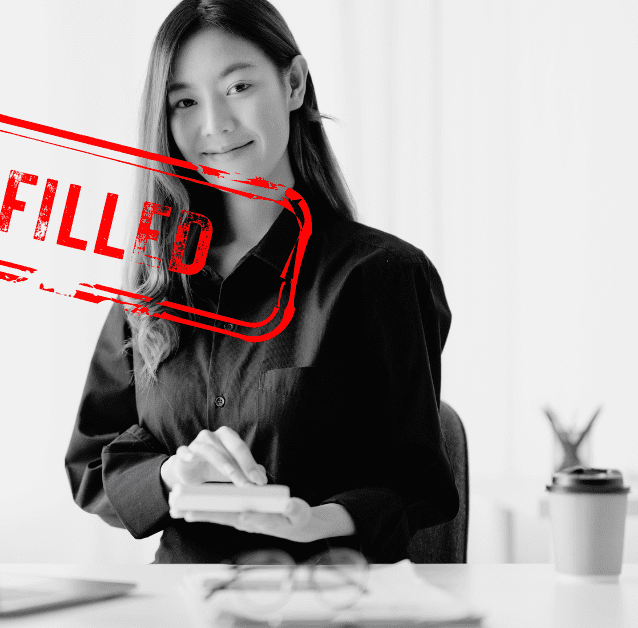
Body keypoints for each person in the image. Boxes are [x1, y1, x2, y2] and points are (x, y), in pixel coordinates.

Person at [64, 0, 458, 564]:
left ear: (293, 83)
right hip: (179, 605)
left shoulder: (380, 277)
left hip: (324, 600)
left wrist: (318, 520)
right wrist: (172, 474)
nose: (215, 125)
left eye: (239, 87)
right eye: (184, 102)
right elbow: (91, 466)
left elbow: (418, 483)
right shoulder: (153, 282)